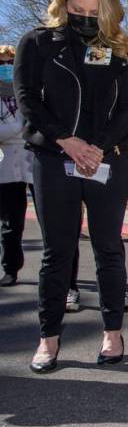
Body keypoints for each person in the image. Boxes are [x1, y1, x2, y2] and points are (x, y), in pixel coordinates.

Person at [15, 0, 128, 372]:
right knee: (57, 252)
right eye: (77, 9)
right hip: (54, 158)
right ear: (63, 7)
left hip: (107, 159)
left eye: (94, 11)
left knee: (109, 248)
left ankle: (112, 333)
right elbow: (27, 101)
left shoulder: (123, 50)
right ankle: (48, 339)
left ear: (107, 10)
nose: (85, 17)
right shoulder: (37, 44)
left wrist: (99, 147)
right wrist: (65, 141)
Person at [0, 44, 31, 287]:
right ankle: (10, 268)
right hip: (6, 167)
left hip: (33, 162)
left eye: (10, 63)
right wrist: (21, 128)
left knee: (51, 220)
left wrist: (13, 132)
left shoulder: (27, 92)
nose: (6, 68)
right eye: (2, 63)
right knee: (11, 224)